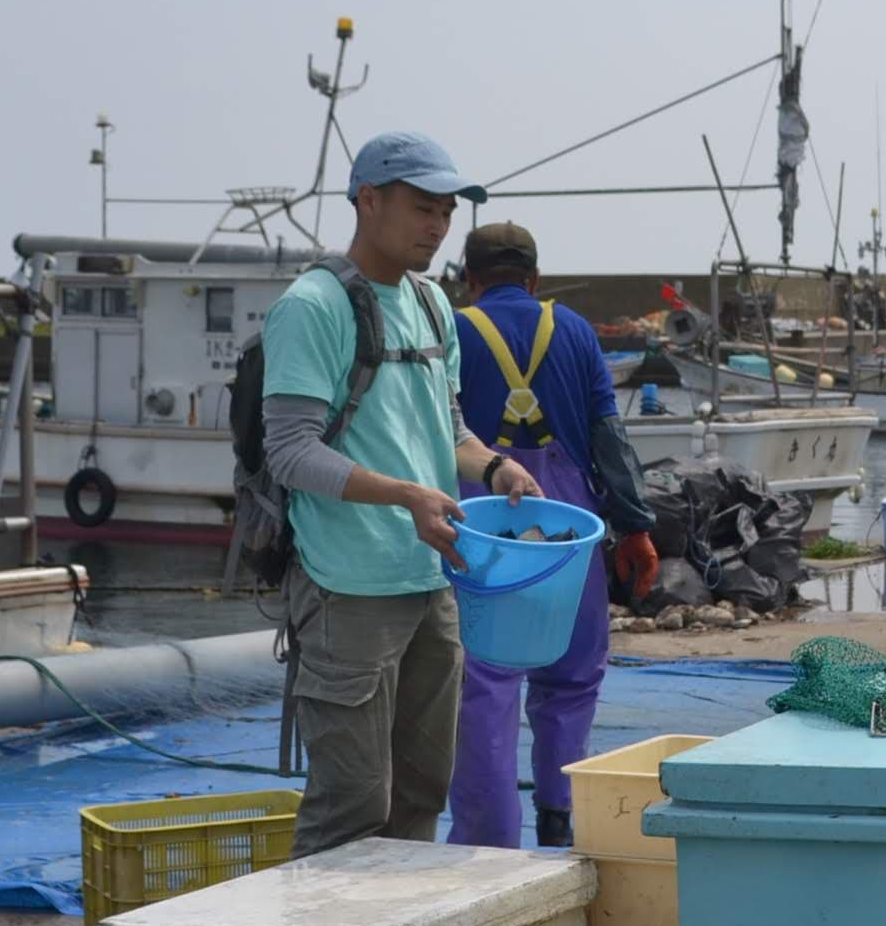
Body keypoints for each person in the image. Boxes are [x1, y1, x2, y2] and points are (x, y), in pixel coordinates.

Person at [261, 132, 539, 852]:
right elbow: (290, 452)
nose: (438, 226)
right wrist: (405, 497)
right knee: (351, 802)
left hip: (430, 580)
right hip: (346, 588)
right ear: (369, 200)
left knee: (421, 791)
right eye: (423, 208)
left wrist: (495, 467)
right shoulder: (312, 306)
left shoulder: (432, 304)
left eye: (447, 210)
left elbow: (446, 432)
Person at [445, 222, 663, 848]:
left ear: (470, 278)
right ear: (535, 279)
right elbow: (609, 439)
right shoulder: (573, 330)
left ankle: (487, 847)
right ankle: (562, 822)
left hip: (482, 536)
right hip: (571, 533)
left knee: (486, 686)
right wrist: (636, 530)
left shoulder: (454, 331)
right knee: (571, 679)